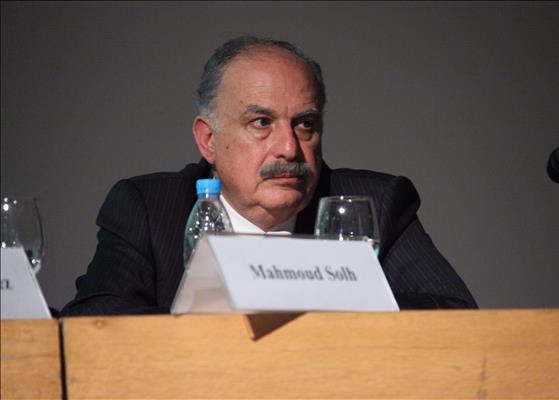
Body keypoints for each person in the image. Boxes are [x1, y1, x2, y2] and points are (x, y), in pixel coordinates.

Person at [61, 36, 477, 316]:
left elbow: (455, 317)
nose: (289, 149)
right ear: (208, 140)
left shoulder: (373, 205)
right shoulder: (149, 209)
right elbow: (95, 325)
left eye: (305, 124)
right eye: (261, 122)